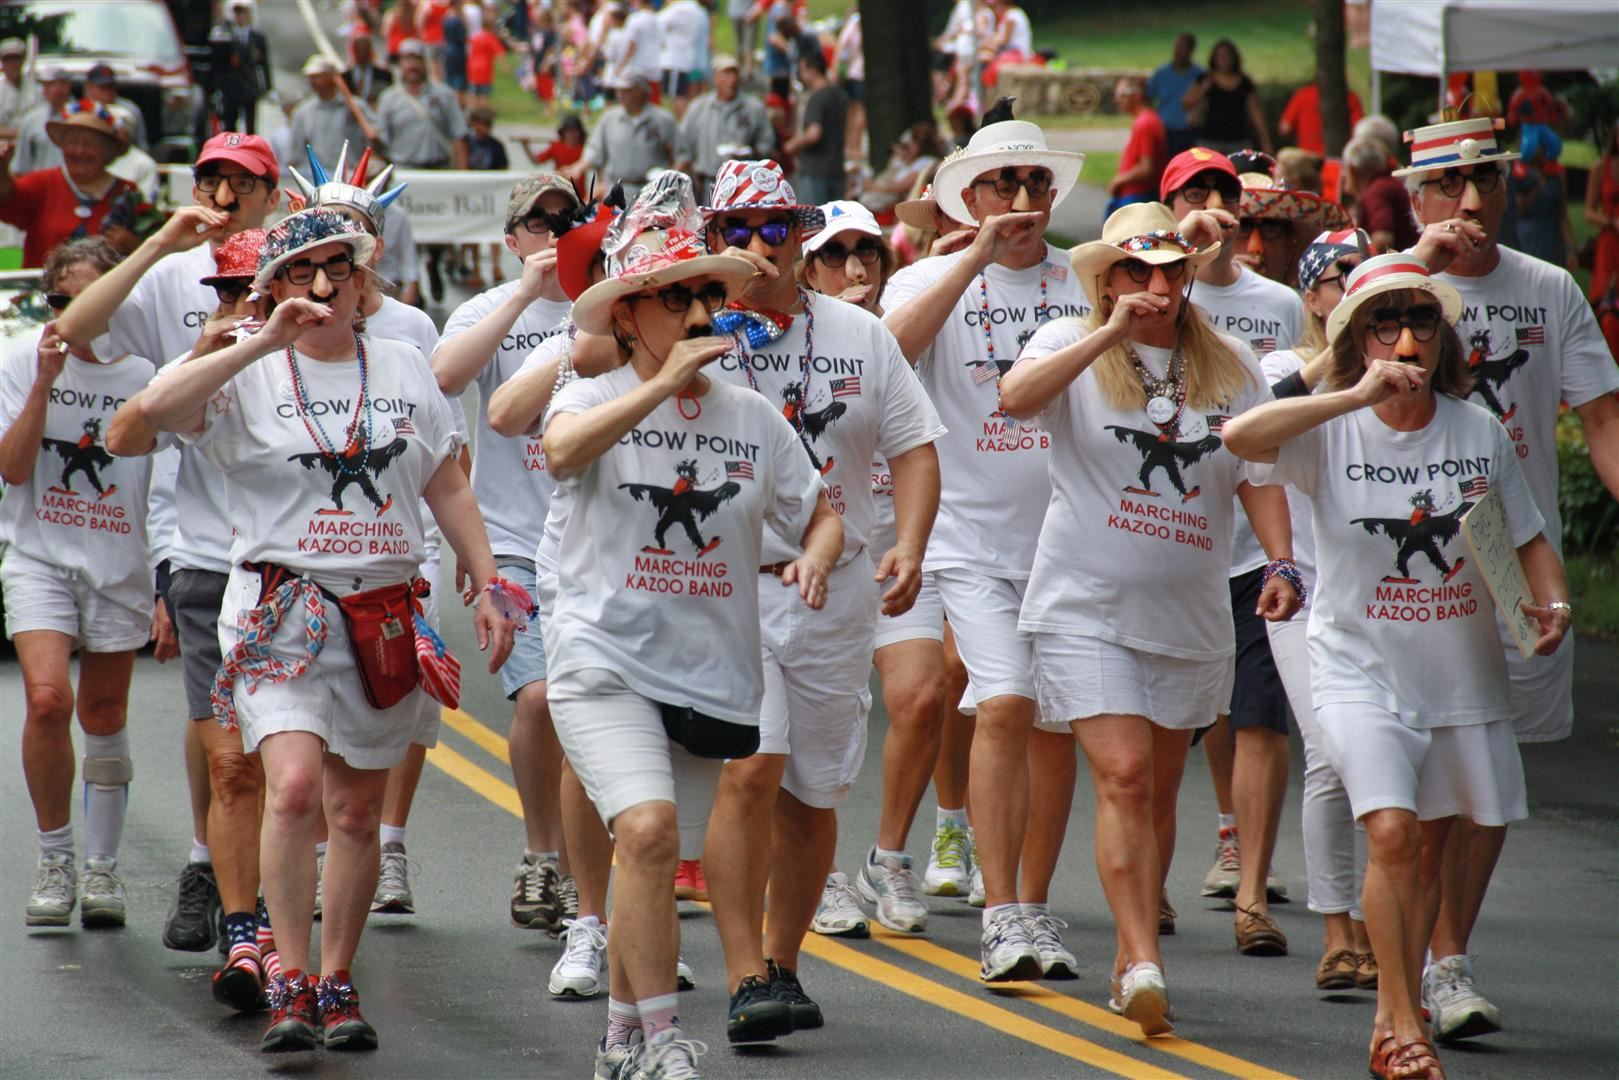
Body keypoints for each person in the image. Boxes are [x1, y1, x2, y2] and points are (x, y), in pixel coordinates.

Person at [134, 207, 514, 1054]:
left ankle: (338, 981)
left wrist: (488, 581)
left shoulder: (407, 365)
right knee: (296, 789)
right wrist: (258, 342)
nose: (320, 287)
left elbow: (447, 481)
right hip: (281, 613)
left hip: (381, 612)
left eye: (336, 268)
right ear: (272, 288)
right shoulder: (247, 368)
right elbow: (150, 414)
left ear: (361, 277)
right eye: (299, 273)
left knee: (354, 811)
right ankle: (291, 981)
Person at [1222, 251, 1571, 1080]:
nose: (1406, 341)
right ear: (1355, 337)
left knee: (1435, 848)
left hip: (1459, 671)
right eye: (1385, 324)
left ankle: (1416, 991)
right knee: (1389, 830)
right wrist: (1353, 392)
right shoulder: (1328, 424)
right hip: (1353, 665)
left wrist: (1550, 608)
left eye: (1420, 323)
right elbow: (1239, 436)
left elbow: (1524, 542)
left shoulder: (1475, 428)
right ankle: (1395, 1021)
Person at [542, 173, 841, 1079]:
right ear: (631, 316)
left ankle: (622, 1038)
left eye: (712, 293)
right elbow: (557, 452)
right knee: (645, 832)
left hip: (710, 667)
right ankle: (665, 1037)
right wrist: (661, 385)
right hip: (601, 656)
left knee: (655, 846)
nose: (704, 309)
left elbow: (820, 508)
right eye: (680, 296)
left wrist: (818, 553)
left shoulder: (753, 418)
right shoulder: (592, 399)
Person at [1000, 200, 1298, 1033]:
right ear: (1106, 279)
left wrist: (1278, 561)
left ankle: (1138, 939)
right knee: (1123, 776)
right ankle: (1138, 959)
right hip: (1082, 604)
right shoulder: (1067, 343)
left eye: (1170, 271)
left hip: (1188, 610)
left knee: (1159, 791)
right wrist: (1108, 332)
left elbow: (1257, 472)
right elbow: (1016, 400)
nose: (1155, 286)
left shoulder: (1230, 362)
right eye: (1135, 270)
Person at [696, 162, 943, 1036]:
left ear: (802, 236)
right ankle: (739, 975)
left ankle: (782, 963)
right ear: (713, 237)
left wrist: (909, 543)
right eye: (739, 230)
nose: (760, 248)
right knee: (752, 769)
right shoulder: (694, 331)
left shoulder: (860, 334)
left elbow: (913, 449)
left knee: (810, 793)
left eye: (776, 230)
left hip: (837, 593)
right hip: (730, 589)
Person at [1399, 115, 1619, 1044]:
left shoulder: (1548, 288)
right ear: (1415, 198)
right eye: (1447, 186)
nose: (1470, 203)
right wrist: (1414, 263)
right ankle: (1418, 951)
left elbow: (1601, 420)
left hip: (1519, 562)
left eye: (1483, 180)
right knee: (1428, 784)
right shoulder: (1391, 287)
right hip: (1414, 566)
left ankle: (1444, 955)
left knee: (1489, 775)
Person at [54, 130, 283, 952]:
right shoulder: (171, 271)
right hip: (203, 547)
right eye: (210, 183)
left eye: (241, 186)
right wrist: (157, 242)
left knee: (289, 750)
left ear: (272, 190)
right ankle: (211, 872)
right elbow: (75, 331)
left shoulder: (302, 264)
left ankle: (289, 885)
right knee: (227, 750)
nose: (223, 201)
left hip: (298, 547)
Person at [882, 117, 1094, 983]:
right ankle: (999, 914)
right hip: (965, 538)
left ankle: (1033, 911)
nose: (1020, 202)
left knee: (1053, 731)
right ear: (966, 198)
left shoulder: (1083, 280)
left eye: (1035, 186)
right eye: (1001, 185)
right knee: (1002, 701)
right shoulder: (924, 278)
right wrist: (969, 260)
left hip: (1072, 541)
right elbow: (883, 362)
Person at [104, 228, 279, 1007]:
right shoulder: (204, 360)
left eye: (255, 291)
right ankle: (241, 930)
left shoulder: (322, 359)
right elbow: (128, 436)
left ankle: (277, 917)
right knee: (233, 765)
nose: (242, 306)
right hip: (210, 576)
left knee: (290, 770)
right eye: (229, 292)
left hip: (298, 578)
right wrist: (203, 354)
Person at [794, 200, 957, 940]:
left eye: (869, 253)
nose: (855, 268)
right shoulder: (759, 335)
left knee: (923, 696)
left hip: (886, 547)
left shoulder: (886, 333)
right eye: (835, 255)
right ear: (805, 266)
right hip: (797, 564)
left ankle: (887, 858)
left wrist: (914, 543)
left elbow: (918, 443)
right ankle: (815, 869)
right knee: (806, 727)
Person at [1158, 146, 1303, 942]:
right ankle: (1151, 877)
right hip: (1174, 541)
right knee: (1171, 726)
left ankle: (1251, 889)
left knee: (1258, 717)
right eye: (1193, 194)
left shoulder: (1276, 303)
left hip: (1251, 542)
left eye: (1223, 193)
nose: (1211, 206)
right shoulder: (1150, 292)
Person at [431, 173, 581, 937]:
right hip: (514, 548)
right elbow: (444, 381)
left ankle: (597, 867)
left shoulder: (611, 306)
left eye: (569, 218)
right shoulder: (487, 309)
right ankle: (541, 855)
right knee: (539, 698)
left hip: (596, 546)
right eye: (539, 220)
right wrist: (525, 298)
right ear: (512, 236)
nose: (555, 230)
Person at [2, 238, 155, 932]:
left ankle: (102, 869)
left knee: (101, 715)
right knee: (44, 700)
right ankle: (55, 857)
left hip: (117, 559)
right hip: (38, 553)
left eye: (85, 300)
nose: (69, 315)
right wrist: (43, 381)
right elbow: (11, 467)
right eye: (57, 301)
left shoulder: (143, 374)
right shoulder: (19, 357)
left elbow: (161, 479)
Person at [1258, 227, 1378, 992]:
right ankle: (1340, 933)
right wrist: (1347, 358)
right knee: (1329, 752)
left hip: (1386, 596)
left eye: (1371, 275)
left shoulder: (1407, 376)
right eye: (1343, 277)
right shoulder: (1285, 364)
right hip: (1305, 591)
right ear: (1311, 297)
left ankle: (1404, 935)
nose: (1357, 286)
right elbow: (1263, 419)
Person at [0, 103, 138, 269]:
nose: (79, 151)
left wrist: (133, 244)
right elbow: (8, 198)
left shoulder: (128, 193)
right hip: (44, 292)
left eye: (89, 144)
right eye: (72, 143)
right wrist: (2, 169)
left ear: (108, 151)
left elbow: (158, 244)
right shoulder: (43, 183)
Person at [675, 55, 775, 204]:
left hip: (744, 184)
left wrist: (751, 152)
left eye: (735, 74)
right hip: (707, 182)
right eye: (726, 74)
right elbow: (683, 146)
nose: (732, 80)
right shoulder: (699, 108)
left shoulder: (754, 108)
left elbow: (767, 142)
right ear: (715, 78)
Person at [570, 76, 676, 203]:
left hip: (653, 192)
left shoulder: (663, 119)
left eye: (626, 91)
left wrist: (670, 184)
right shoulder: (609, 119)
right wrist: (579, 167)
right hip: (616, 191)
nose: (620, 95)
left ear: (641, 91)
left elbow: (682, 155)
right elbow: (594, 150)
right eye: (618, 91)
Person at [377, 40, 468, 171]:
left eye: (417, 59)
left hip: (438, 170)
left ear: (425, 63)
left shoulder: (444, 94)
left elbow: (460, 135)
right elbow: (382, 141)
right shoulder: (388, 98)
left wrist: (463, 176)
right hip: (403, 171)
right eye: (408, 59)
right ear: (400, 63)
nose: (412, 65)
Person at [287, 56, 378, 178]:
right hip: (318, 177)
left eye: (318, 76)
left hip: (350, 175)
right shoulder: (303, 112)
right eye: (311, 77)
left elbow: (374, 139)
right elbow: (295, 153)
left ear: (332, 78)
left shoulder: (357, 107)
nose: (313, 82)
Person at [783, 49, 848, 206]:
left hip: (815, 171)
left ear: (810, 70)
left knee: (814, 224)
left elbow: (814, 133)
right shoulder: (840, 95)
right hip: (837, 169)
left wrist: (792, 145)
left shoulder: (817, 98)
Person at [1185, 40, 1271, 156]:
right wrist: (1203, 89)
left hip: (1238, 141)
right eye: (1220, 56)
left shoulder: (1244, 83)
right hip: (1209, 140)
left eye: (1227, 55)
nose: (1223, 60)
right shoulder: (1205, 79)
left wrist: (1265, 141)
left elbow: (1256, 113)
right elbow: (1187, 103)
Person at [1511, 124, 1576, 273]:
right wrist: (1535, 187)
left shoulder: (1557, 174)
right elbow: (1517, 208)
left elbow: (1562, 215)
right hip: (1527, 239)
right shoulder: (1517, 172)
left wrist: (1571, 250)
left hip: (1552, 238)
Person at [1105, 75, 1167, 219]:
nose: (1117, 99)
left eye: (1121, 94)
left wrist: (1118, 181)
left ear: (1137, 95)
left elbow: (1146, 169)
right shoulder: (1145, 120)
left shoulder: (1145, 123)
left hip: (1137, 196)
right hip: (1134, 196)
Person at [1343, 135, 1418, 252]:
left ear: (1352, 170)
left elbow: (1383, 239)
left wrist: (1362, 265)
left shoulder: (1377, 191)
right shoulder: (1388, 184)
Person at [461, 106, 509, 288]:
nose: (483, 127)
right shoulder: (466, 143)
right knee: (472, 232)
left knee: (493, 231)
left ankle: (495, 266)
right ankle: (475, 268)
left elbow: (503, 169)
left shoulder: (496, 145)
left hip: (491, 195)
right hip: (471, 194)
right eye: (479, 123)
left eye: (486, 124)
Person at [210, 0, 274, 135]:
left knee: (251, 127)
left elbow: (264, 64)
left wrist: (268, 87)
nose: (240, 16)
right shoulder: (223, 35)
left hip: (249, 87)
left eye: (243, 12)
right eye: (237, 12)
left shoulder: (257, 37)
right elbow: (217, 64)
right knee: (230, 125)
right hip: (230, 88)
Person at [1586, 122, 1619, 359]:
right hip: (1610, 241)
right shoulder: (1601, 167)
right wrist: (1611, 222)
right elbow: (1588, 211)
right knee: (1604, 302)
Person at [10, 64, 73, 175]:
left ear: (66, 86)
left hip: (74, 187)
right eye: (44, 85)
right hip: (42, 186)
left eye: (51, 85)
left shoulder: (80, 115)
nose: (45, 90)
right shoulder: (32, 119)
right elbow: (21, 164)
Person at [1149, 33, 1204, 157]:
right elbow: (1149, 98)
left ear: (1191, 50)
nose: (1181, 52)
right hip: (1165, 130)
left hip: (1190, 131)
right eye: (1178, 47)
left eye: (1185, 48)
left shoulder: (1200, 75)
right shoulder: (1161, 74)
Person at [1278, 80, 1364, 157]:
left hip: (1307, 159)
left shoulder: (1303, 95)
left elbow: (1285, 128)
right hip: (1338, 158)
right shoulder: (1350, 97)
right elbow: (1360, 131)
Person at [657, 0, 708, 116]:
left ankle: (680, 124)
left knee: (677, 95)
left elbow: (658, 21)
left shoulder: (679, 9)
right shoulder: (696, 8)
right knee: (683, 94)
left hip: (674, 60)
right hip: (687, 57)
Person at [83, 64, 147, 152]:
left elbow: (141, 145)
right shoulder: (80, 108)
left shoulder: (130, 109)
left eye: (110, 86)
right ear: (89, 87)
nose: (107, 91)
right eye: (102, 87)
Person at [612, 0, 666, 96]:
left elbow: (630, 45)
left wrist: (621, 65)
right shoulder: (659, 19)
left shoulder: (634, 19)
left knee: (636, 103)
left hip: (637, 70)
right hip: (655, 68)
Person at [344, 33, 394, 106]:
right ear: (354, 52)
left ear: (370, 51)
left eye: (365, 50)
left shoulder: (384, 74)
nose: (362, 54)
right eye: (359, 51)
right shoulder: (345, 76)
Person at [0, 37, 37, 136]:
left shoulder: (36, 89)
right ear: (2, 64)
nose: (13, 65)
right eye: (8, 60)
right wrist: (19, 134)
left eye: (16, 59)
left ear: (22, 61)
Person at [466, 15, 507, 101]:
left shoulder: (474, 37)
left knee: (473, 92)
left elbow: (468, 50)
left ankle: (472, 110)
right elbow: (500, 54)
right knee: (484, 94)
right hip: (485, 69)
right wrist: (505, 67)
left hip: (472, 67)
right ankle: (483, 111)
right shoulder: (491, 38)